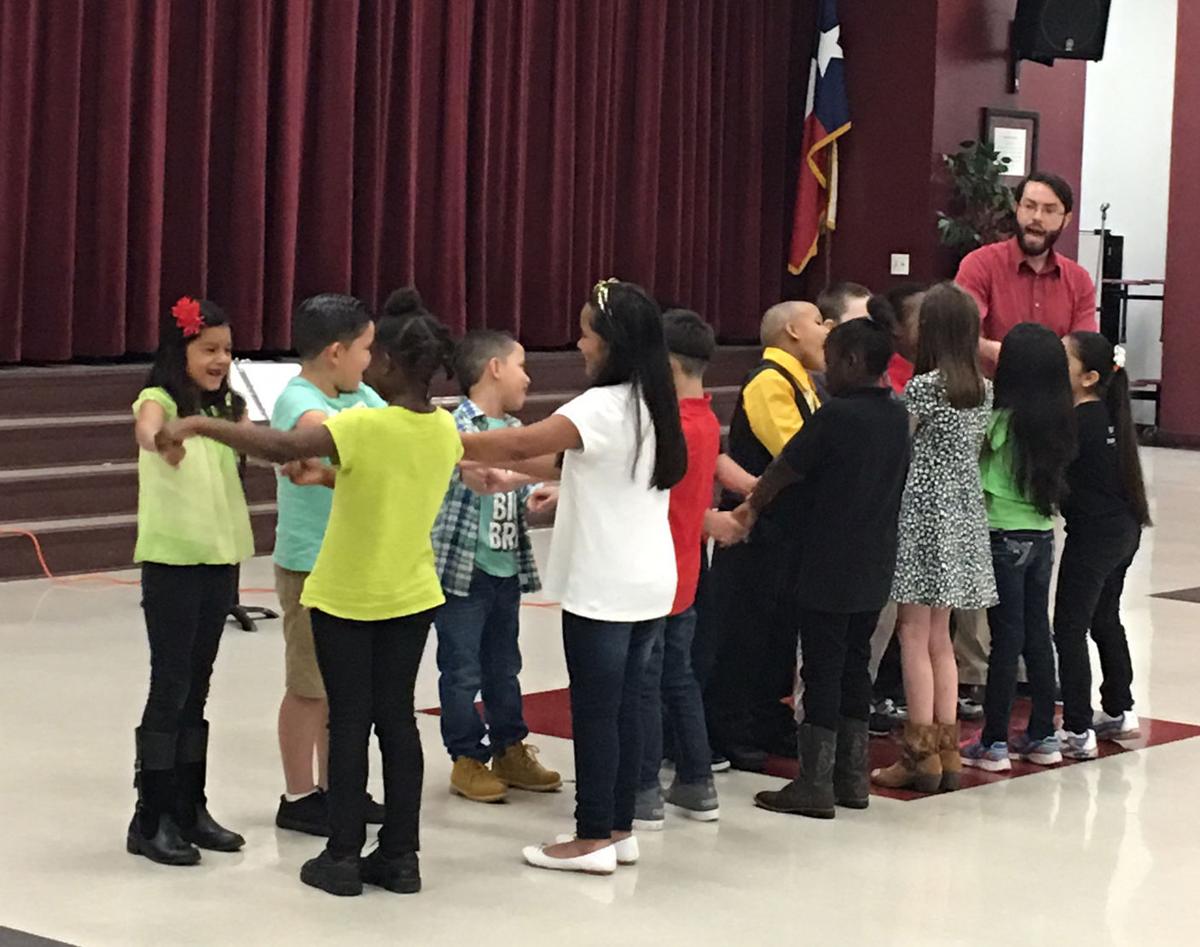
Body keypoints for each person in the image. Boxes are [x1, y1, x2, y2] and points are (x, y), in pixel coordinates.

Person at [157, 289, 462, 898]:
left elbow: (281, 447)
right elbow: (378, 478)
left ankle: (342, 857)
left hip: (348, 596)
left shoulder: (363, 425)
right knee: (398, 722)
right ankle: (401, 857)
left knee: (347, 722)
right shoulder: (445, 429)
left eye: (373, 352)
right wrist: (327, 475)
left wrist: (196, 423)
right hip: (412, 596)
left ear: (387, 363)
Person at [459, 279, 686, 875]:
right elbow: (567, 460)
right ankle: (618, 829)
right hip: (649, 581)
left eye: (586, 333)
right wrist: (504, 473)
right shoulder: (652, 400)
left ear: (610, 340)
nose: (579, 343)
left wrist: (435, 439)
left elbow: (521, 441)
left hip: (604, 583)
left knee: (596, 711)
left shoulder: (597, 406)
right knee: (628, 708)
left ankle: (590, 839)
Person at [736, 308, 910, 819]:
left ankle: (814, 783)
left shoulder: (837, 416)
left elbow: (785, 468)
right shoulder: (896, 416)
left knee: (821, 669)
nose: (825, 373)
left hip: (827, 564)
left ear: (852, 361)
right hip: (875, 562)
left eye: (831, 362)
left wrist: (750, 507)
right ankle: (852, 779)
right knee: (856, 666)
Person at [954, 172, 1098, 705]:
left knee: (1035, 535)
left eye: (1048, 209)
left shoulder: (1077, 279)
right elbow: (963, 333)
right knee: (982, 536)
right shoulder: (981, 264)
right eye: (1029, 206)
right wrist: (1026, 360)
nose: (1036, 218)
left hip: (1048, 421)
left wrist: (1038, 366)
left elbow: (1084, 345)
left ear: (1065, 218)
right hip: (987, 411)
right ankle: (975, 667)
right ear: (1016, 208)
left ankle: (1024, 667)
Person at [127, 297, 253, 866]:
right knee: (171, 683)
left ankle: (189, 806)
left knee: (198, 684)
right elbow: (148, 428)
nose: (221, 359)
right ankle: (150, 816)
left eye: (227, 350)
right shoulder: (159, 398)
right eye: (209, 349)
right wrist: (162, 440)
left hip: (219, 558)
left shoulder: (229, 407)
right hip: (173, 562)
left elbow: (260, 445)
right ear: (181, 352)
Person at [871, 283, 996, 794]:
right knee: (942, 637)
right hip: (963, 512)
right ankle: (948, 751)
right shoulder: (983, 389)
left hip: (923, 510)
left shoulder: (924, 387)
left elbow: (899, 444)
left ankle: (918, 755)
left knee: (912, 633)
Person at [270, 294, 388, 836]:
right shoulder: (298, 401)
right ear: (336, 352)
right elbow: (336, 444)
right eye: (364, 349)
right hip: (310, 563)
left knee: (347, 689)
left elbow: (384, 445)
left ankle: (341, 786)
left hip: (355, 561)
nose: (370, 360)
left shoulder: (361, 394)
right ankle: (298, 796)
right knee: (309, 685)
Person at [431, 330, 561, 803]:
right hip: (462, 572)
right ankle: (466, 756)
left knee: (505, 667)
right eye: (521, 365)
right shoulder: (453, 429)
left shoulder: (517, 433)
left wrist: (538, 494)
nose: (527, 377)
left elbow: (517, 488)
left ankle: (509, 748)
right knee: (461, 670)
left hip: (504, 570)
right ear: (495, 368)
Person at [701, 300, 829, 771]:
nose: (826, 332)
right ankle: (729, 725)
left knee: (778, 633)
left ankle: (766, 715)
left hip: (788, 532)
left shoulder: (805, 382)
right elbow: (795, 453)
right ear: (792, 330)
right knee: (744, 632)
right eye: (818, 322)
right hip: (755, 531)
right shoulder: (769, 380)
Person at [632, 309, 733, 830]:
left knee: (646, 683)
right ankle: (697, 781)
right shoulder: (707, 420)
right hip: (686, 572)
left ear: (666, 366)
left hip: (655, 570)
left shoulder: (666, 428)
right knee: (679, 679)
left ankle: (643, 788)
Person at [960, 323, 1076, 772]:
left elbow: (974, 464)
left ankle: (993, 740)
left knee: (1004, 640)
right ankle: (1043, 734)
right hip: (1042, 536)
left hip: (1001, 536)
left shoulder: (1000, 420)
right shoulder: (1061, 420)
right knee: (1037, 634)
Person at [1053, 331, 1152, 760]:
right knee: (1105, 616)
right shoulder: (1111, 416)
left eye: (1063, 358)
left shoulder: (1077, 422)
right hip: (1124, 530)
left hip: (1094, 537)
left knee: (1069, 627)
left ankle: (1078, 728)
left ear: (1089, 377)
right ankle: (1119, 708)